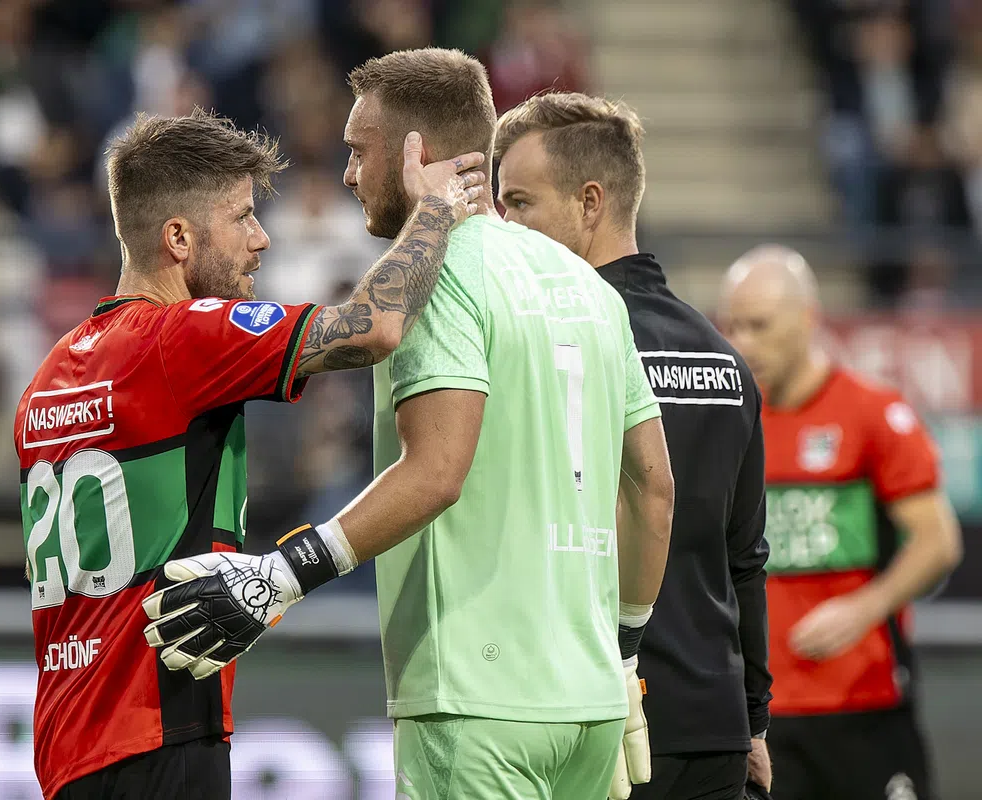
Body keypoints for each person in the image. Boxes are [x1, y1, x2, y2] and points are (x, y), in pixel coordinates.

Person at [142, 49, 676, 800]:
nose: (348, 174)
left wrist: (284, 574)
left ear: (414, 154)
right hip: (590, 705)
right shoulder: (586, 284)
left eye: (359, 152)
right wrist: (623, 653)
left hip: (478, 701)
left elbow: (436, 472)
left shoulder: (434, 272)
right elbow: (653, 489)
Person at [13, 108, 487, 800]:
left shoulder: (47, 380)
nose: (262, 239)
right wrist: (435, 212)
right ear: (179, 238)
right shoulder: (178, 340)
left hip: (67, 747)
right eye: (242, 217)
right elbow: (375, 327)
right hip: (160, 728)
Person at [493, 91, 774, 800]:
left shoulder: (558, 346)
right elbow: (745, 559)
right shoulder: (724, 360)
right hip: (713, 727)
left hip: (598, 725)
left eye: (520, 203)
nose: (505, 225)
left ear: (590, 203)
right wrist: (754, 721)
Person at [718, 245, 963, 800]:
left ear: (808, 319)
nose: (742, 343)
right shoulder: (732, 422)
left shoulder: (872, 413)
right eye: (733, 326)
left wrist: (863, 608)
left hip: (865, 702)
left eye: (759, 326)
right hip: (763, 714)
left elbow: (938, 541)